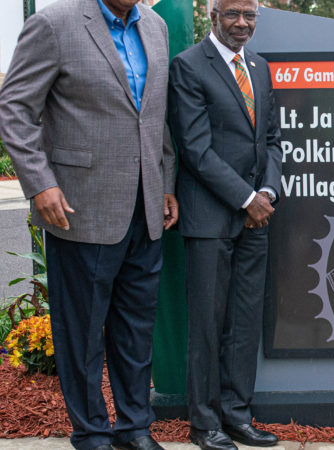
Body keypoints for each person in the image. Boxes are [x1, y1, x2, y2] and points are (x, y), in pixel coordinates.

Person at [0, 0, 177, 449]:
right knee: (80, 332)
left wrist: (166, 181)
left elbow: (155, 115)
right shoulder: (54, 24)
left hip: (146, 205)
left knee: (136, 328)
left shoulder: (154, 26)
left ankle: (134, 428)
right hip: (79, 207)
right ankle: (92, 432)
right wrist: (40, 184)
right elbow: (15, 109)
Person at [167, 0, 282, 448]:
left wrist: (267, 193)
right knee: (207, 325)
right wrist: (246, 198)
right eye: (232, 14)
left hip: (257, 217)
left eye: (249, 15)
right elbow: (195, 149)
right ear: (212, 16)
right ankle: (205, 424)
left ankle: (237, 416)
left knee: (245, 323)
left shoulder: (260, 66)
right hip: (211, 218)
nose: (241, 23)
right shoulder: (190, 66)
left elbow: (272, 139)